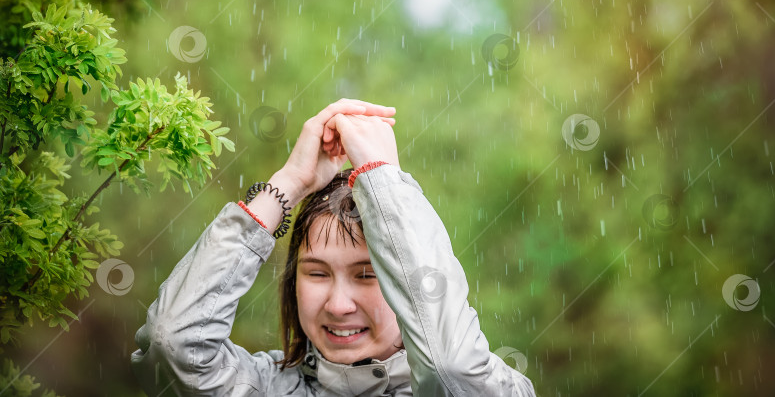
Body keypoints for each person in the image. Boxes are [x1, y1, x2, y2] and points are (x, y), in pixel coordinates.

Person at [131, 99, 536, 396]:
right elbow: (173, 343)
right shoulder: (261, 387)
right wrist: (290, 183)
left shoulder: (485, 387)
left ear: (403, 277)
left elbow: (453, 369)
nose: (338, 305)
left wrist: (385, 182)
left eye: (367, 275)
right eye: (317, 272)